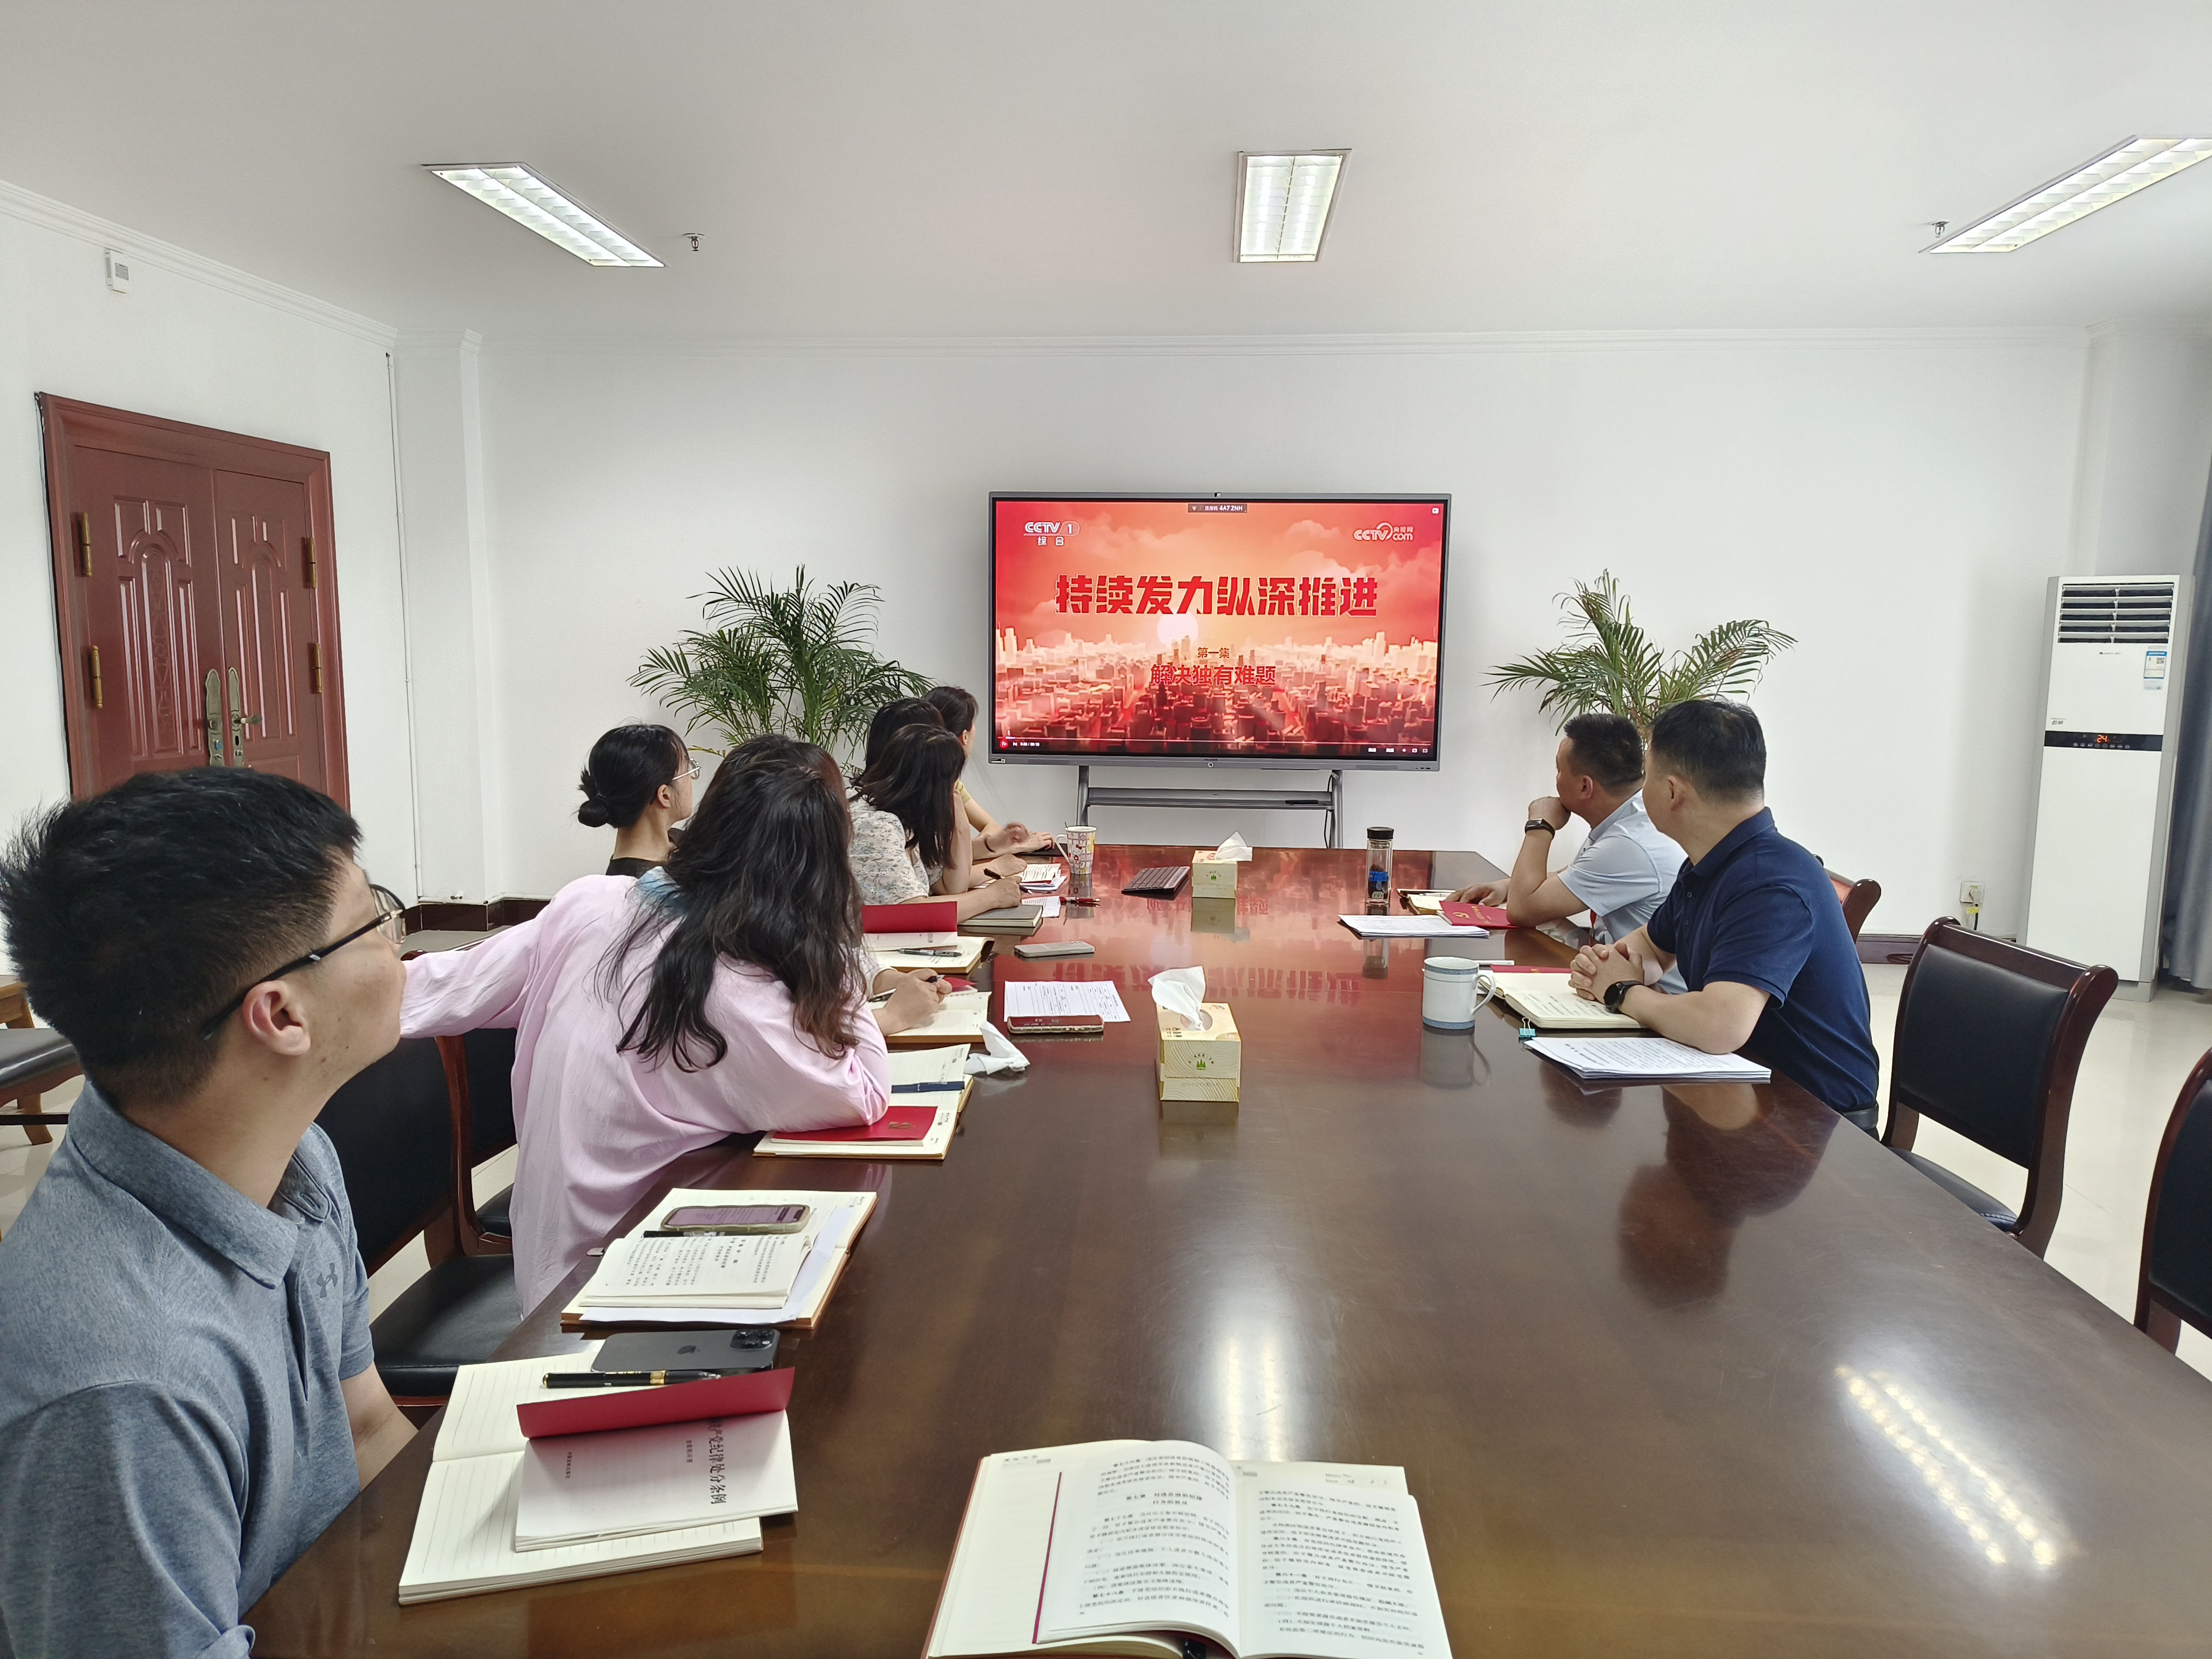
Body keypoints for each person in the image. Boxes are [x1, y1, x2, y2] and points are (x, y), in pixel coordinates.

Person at [0, 769, 415, 1657]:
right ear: (280, 1014)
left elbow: (369, 1424)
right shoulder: (121, 1385)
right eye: (374, 917)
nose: (398, 942)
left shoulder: (293, 1158)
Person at [404, 736, 949, 1308]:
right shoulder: (738, 993)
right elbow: (861, 1092)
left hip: (558, 1260)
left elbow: (439, 985)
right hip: (619, 1284)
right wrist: (832, 940)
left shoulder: (592, 901)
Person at [1567, 700, 1881, 1132]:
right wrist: (1605, 966)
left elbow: (1720, 1025)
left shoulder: (1770, 883)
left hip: (1812, 1124)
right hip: (1739, 1088)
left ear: (1673, 792)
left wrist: (1621, 991)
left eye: (1649, 778)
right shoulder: (1712, 861)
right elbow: (1652, 950)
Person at [1448, 712, 1683, 984]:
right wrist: (1507, 885)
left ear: (1585, 786)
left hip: (1652, 999)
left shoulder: (1630, 843)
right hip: (1616, 975)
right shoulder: (1630, 818)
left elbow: (1522, 911)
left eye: (1559, 770)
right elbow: (1575, 876)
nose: (1556, 780)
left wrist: (1540, 826)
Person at [848, 725, 1024, 921]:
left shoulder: (904, 815)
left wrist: (960, 819)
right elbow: (910, 913)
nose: (954, 789)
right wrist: (992, 897)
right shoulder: (876, 826)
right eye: (952, 783)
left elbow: (952, 887)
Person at [924, 684, 1050, 858]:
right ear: (965, 736)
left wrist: (998, 844)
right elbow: (945, 862)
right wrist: (1004, 848)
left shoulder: (952, 784)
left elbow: (991, 829)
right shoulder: (934, 788)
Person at [577, 722, 696, 876]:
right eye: (688, 769)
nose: (692, 778)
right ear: (665, 795)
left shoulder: (677, 841)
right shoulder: (648, 891)